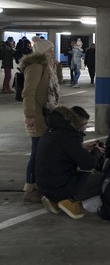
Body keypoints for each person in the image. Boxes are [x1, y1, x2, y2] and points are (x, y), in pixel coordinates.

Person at [36, 106, 103, 219]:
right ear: (76, 121)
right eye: (84, 124)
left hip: (44, 186)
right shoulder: (70, 135)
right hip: (62, 187)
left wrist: (81, 148)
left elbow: (62, 153)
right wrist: (97, 151)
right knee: (104, 179)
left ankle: (53, 199)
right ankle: (69, 200)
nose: (85, 128)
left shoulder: (52, 130)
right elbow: (88, 164)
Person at [20, 39, 61, 204]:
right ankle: (29, 189)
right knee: (37, 151)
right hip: (37, 116)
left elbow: (56, 87)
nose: (52, 53)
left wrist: (57, 67)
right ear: (42, 52)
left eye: (53, 50)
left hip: (47, 115)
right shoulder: (36, 67)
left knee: (43, 152)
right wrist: (30, 115)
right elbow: (27, 93)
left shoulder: (48, 67)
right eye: (50, 51)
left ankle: (39, 185)